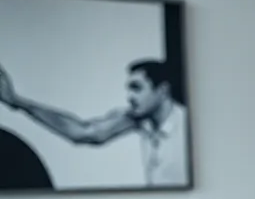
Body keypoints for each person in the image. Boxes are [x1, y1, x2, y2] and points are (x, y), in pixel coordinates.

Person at [0, 60, 189, 187]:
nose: (129, 97)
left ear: (163, 90)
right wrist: (17, 102)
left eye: (137, 88)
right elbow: (83, 132)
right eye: (129, 89)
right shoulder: (137, 120)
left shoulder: (187, 123)